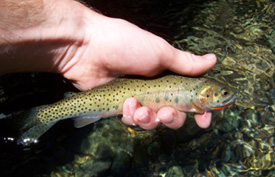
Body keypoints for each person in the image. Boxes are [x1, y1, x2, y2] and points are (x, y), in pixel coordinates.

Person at [0, 0, 216, 130]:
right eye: (222, 93)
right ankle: (35, 118)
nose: (224, 96)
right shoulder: (196, 96)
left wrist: (81, 42)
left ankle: (26, 120)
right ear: (205, 94)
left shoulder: (196, 95)